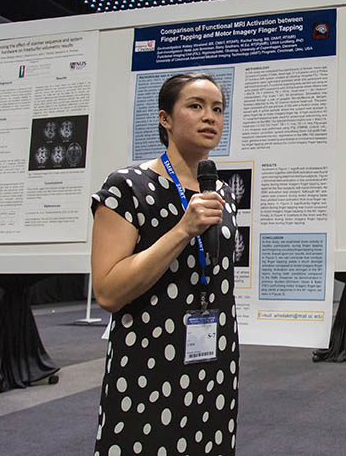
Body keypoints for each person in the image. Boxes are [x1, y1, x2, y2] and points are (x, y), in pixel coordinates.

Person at [90, 73, 240, 455]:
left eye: (217, 109)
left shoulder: (221, 194)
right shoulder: (128, 187)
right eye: (196, 106)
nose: (209, 117)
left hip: (213, 357)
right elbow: (107, 292)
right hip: (149, 360)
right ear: (165, 118)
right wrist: (183, 230)